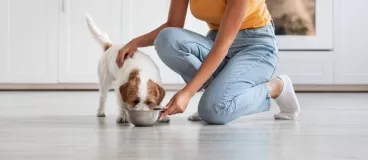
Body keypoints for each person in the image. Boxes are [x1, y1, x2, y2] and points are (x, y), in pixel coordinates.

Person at [116, 0, 300, 124]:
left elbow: (223, 46)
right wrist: (134, 42)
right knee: (167, 38)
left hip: (255, 46)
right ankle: (215, 94)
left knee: (214, 111)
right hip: (214, 41)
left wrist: (188, 93)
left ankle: (276, 87)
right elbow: (173, 25)